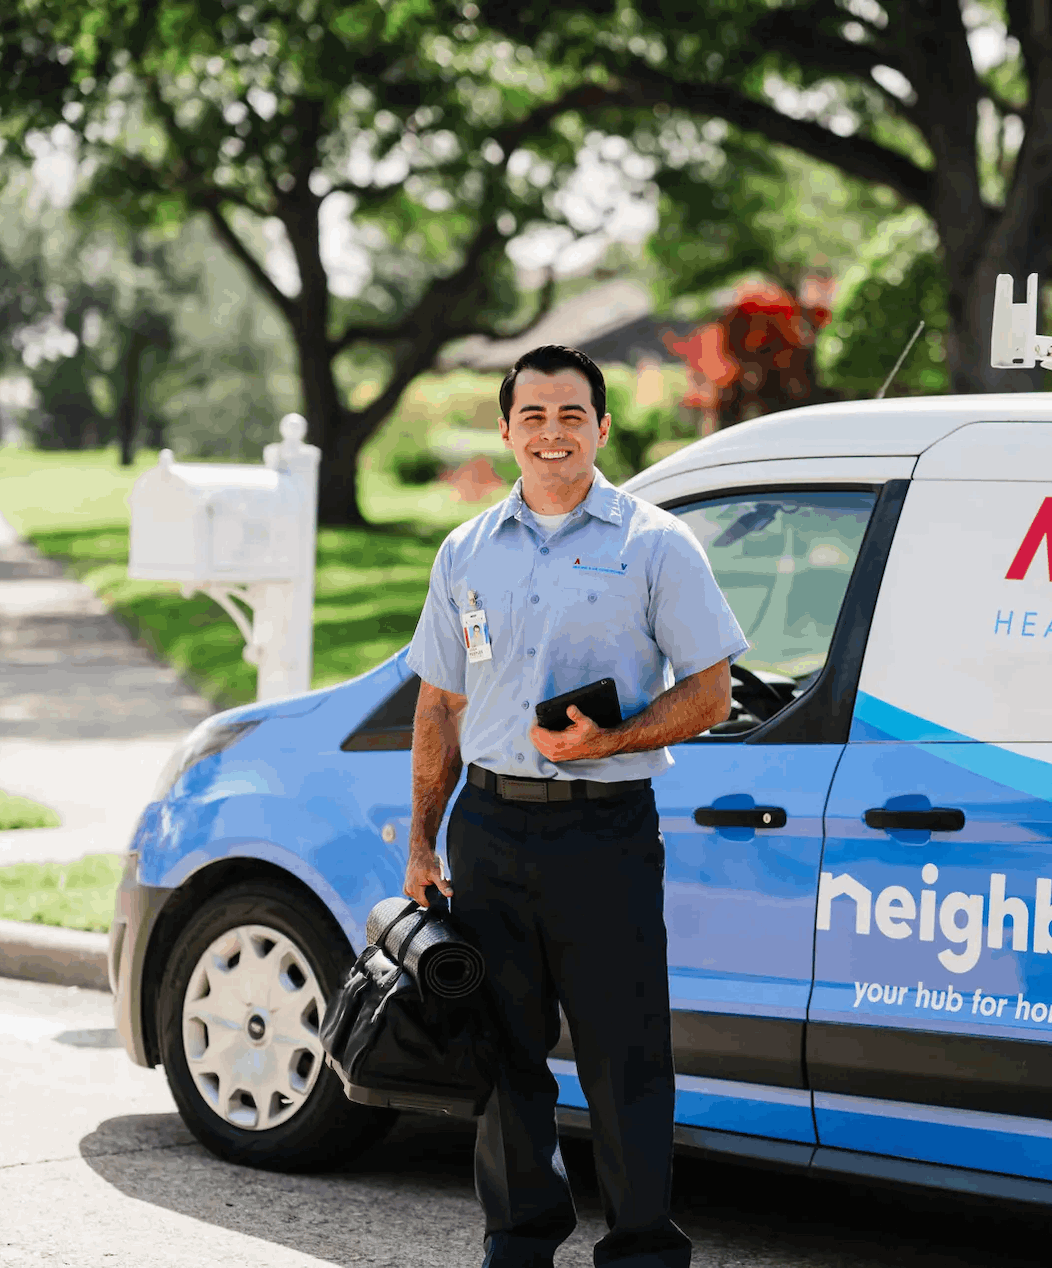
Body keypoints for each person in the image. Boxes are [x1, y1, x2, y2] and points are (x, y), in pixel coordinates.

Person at [402, 344, 747, 1268]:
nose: (552, 434)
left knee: (624, 1061)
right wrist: (423, 847)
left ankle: (640, 1251)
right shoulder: (465, 551)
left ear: (601, 427)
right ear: (508, 430)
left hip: (605, 832)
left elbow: (711, 694)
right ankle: (518, 1244)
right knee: (503, 1057)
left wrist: (607, 741)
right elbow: (439, 703)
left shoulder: (655, 543)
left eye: (570, 416)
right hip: (489, 829)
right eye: (533, 417)